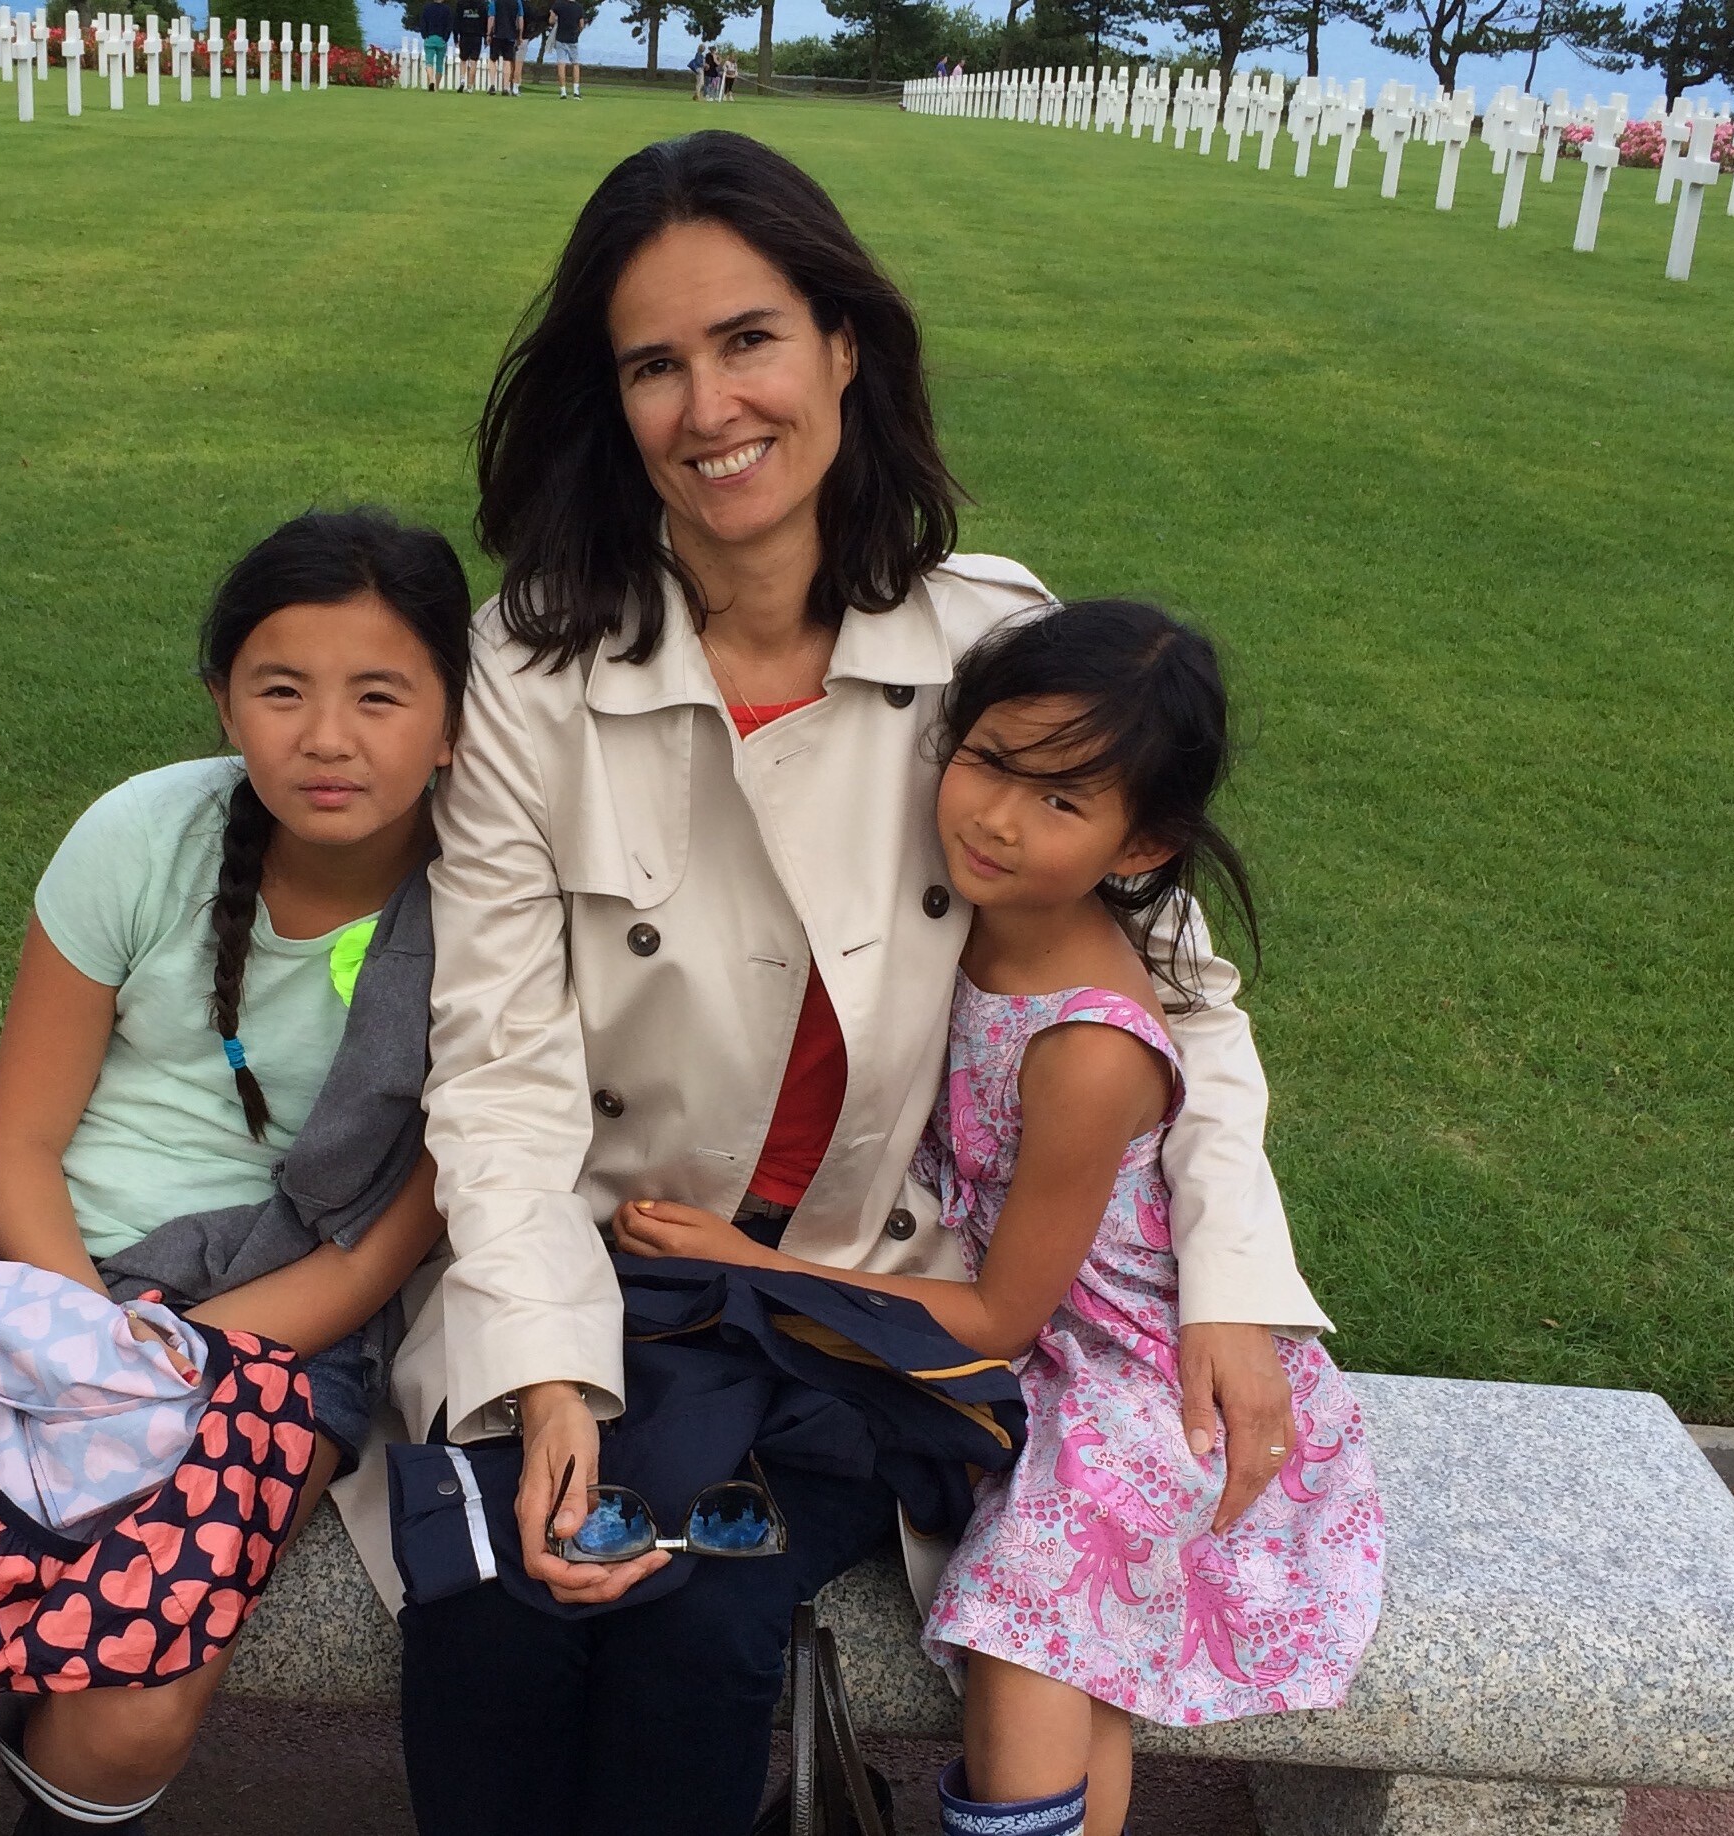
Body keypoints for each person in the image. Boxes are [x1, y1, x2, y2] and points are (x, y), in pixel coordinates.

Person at [393, 130, 1329, 1836]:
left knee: (697, 1616)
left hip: (854, 1301)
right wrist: (547, 1371)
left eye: (746, 338)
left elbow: (1177, 1000)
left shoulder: (986, 644)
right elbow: (500, 1061)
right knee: (497, 1610)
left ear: (840, 344)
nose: (707, 405)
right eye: (652, 364)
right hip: (600, 1260)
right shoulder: (532, 664)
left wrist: (1232, 1287)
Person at [616, 601, 1385, 1836]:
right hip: (1040, 1317)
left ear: (1143, 849)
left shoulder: (1085, 1045)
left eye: (1063, 803)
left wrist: (748, 1263)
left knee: (1029, 1618)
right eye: (988, 763)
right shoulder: (963, 923)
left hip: (1119, 1366)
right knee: (1084, 1665)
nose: (997, 819)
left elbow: (1001, 1316)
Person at [0, 508, 470, 1832]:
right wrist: (82, 1332)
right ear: (223, 702)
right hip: (36, 1271)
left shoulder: (489, 915)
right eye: (281, 690)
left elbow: (378, 1249)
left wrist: (168, 1359)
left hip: (286, 1328)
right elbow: (14, 1145)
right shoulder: (144, 833)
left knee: (133, 1701)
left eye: (380, 695)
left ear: (456, 722)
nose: (328, 737)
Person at [548, 0, 581, 95]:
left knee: (561, 64)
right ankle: (576, 91)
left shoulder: (558, 5)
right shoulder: (578, 7)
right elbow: (581, 24)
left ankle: (563, 92)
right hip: (573, 38)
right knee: (575, 64)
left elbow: (551, 20)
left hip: (560, 38)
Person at [451, 0, 485, 86]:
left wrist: (455, 37)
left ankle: (462, 79)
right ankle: (470, 85)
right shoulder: (481, 4)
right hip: (477, 35)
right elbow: (484, 20)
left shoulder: (461, 3)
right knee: (473, 60)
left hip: (464, 35)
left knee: (463, 59)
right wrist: (485, 35)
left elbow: (456, 20)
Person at [487, 0, 518, 91]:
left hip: (497, 34)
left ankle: (492, 85)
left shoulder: (495, 2)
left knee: (493, 59)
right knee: (507, 61)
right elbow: (519, 19)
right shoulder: (516, 2)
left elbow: (491, 17)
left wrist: (489, 33)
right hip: (510, 35)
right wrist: (519, 35)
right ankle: (506, 87)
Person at [420, 0, 452, 87]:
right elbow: (449, 25)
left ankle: (431, 80)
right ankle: (437, 86)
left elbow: (423, 23)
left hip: (430, 37)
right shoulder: (447, 9)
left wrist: (424, 35)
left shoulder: (427, 8)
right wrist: (445, 38)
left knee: (429, 62)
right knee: (439, 64)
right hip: (441, 39)